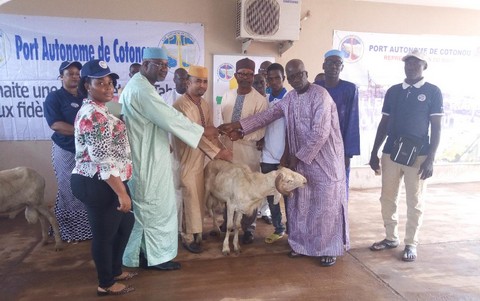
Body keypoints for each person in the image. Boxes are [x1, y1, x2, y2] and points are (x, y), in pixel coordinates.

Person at [219, 59, 349, 267]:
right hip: (300, 160)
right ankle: (300, 245)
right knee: (300, 204)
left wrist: (295, 157)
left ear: (306, 73)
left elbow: (320, 133)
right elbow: (267, 115)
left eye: (299, 75)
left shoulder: (321, 96)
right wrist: (238, 124)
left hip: (324, 161)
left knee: (325, 204)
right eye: (292, 76)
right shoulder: (290, 99)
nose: (296, 79)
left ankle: (327, 249)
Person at [120, 47, 218, 271]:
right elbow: (170, 118)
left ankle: (143, 254)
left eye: (166, 65)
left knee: (150, 208)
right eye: (159, 65)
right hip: (147, 160)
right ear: (145, 65)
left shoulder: (143, 87)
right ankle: (156, 257)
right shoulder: (142, 90)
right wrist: (201, 131)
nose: (164, 69)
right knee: (155, 207)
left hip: (152, 156)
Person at [368, 50, 443, 262]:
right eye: (408, 63)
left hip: (418, 155)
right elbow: (384, 123)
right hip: (391, 152)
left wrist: (431, 158)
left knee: (415, 200)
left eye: (415, 63)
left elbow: (436, 128)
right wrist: (374, 151)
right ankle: (391, 237)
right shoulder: (393, 91)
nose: (410, 67)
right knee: (387, 198)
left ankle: (411, 243)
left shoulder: (433, 92)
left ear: (424, 66)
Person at [70, 59, 135, 296]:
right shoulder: (93, 114)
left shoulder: (101, 110)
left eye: (110, 82)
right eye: (101, 82)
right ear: (87, 85)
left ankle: (114, 270)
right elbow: (102, 160)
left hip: (109, 179)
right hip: (97, 182)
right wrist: (121, 192)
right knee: (105, 235)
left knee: (125, 224)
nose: (108, 87)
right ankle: (105, 283)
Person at [173, 65, 232, 254]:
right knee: (189, 196)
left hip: (202, 159)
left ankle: (197, 232)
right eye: (198, 81)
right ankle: (187, 237)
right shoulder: (180, 106)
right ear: (187, 82)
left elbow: (211, 131)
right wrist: (217, 153)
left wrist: (222, 148)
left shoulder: (204, 104)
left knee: (199, 197)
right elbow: (194, 135)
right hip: (186, 158)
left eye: (205, 81)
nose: (202, 85)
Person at [43, 61, 93, 243]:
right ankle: (69, 232)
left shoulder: (85, 97)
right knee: (69, 189)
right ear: (61, 77)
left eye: (77, 73)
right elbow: (55, 124)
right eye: (70, 73)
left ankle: (87, 230)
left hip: (87, 151)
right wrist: (83, 131)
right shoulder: (54, 98)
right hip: (65, 151)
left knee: (85, 189)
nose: (75, 76)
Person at [220, 57, 268, 245]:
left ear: (253, 76)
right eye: (242, 74)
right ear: (235, 76)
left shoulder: (260, 100)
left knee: (249, 190)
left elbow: (261, 129)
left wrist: (240, 135)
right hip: (227, 152)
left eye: (249, 74)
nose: (246, 78)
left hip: (248, 152)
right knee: (228, 189)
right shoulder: (227, 96)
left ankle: (249, 227)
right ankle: (228, 222)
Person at [315, 49, 360, 195]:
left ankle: (339, 218)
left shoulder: (350, 89)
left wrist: (347, 154)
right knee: (318, 185)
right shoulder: (316, 87)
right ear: (323, 65)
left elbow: (352, 121)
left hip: (338, 148)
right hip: (318, 147)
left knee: (339, 186)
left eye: (337, 63)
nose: (333, 66)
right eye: (330, 63)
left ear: (342, 67)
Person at [261, 63, 289, 243]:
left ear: (283, 78)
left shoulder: (290, 99)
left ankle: (293, 229)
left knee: (288, 196)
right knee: (271, 195)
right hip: (267, 155)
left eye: (277, 78)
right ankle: (278, 228)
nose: (273, 82)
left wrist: (287, 155)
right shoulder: (265, 99)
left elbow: (293, 131)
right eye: (270, 79)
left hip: (285, 157)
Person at [162, 67, 189, 234]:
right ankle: (176, 228)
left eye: (186, 78)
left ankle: (188, 226)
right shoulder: (165, 98)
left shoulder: (193, 98)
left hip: (190, 152)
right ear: (174, 81)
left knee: (190, 191)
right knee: (174, 190)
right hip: (172, 151)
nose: (183, 82)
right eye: (180, 79)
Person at [252, 73, 273, 224]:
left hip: (269, 149)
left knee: (266, 180)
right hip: (251, 148)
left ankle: (265, 211)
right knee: (254, 180)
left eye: (261, 83)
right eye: (256, 83)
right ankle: (253, 213)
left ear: (266, 84)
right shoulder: (251, 101)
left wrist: (264, 138)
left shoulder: (271, 101)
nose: (259, 86)